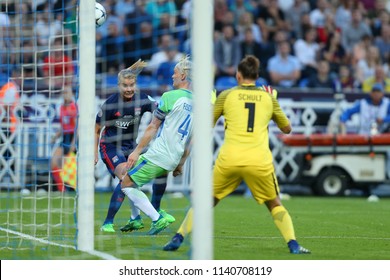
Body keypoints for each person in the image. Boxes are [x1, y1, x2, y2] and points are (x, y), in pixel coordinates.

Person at [163, 55, 311, 254]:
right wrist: (272, 103)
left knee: (205, 201)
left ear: (238, 75)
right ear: (257, 76)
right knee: (274, 203)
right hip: (258, 160)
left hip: (229, 159)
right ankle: (293, 245)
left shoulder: (227, 95)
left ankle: (178, 237)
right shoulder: (268, 97)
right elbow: (286, 128)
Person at [96, 60, 175, 233]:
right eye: (125, 85)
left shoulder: (142, 99)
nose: (129, 89)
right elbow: (96, 130)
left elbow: (159, 109)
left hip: (130, 147)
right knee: (126, 175)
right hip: (109, 146)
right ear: (119, 85)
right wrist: (94, 154)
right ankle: (110, 221)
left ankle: (136, 218)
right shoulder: (110, 104)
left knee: (143, 176)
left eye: (131, 85)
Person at [120, 55, 193, 235]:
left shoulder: (170, 96)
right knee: (127, 174)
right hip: (174, 156)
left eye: (175, 73)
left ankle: (157, 218)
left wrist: (136, 151)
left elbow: (153, 126)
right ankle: (136, 219)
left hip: (159, 154)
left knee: (126, 183)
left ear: (183, 76)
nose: (172, 76)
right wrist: (181, 163)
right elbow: (193, 137)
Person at [50, 86, 77, 192]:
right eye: (63, 92)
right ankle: (62, 189)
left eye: (67, 92)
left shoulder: (74, 107)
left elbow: (76, 128)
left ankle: (72, 188)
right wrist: (55, 136)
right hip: (64, 137)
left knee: (68, 166)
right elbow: (63, 125)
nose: (65, 94)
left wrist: (73, 143)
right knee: (54, 162)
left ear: (71, 94)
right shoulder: (61, 107)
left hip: (72, 138)